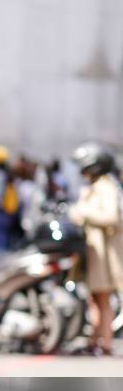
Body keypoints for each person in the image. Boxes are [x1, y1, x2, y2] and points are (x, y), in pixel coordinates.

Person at [69, 142, 123, 355]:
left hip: (105, 254)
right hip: (94, 251)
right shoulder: (96, 186)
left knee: (102, 299)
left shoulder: (106, 187)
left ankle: (105, 343)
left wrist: (85, 212)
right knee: (95, 298)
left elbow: (111, 217)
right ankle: (95, 340)